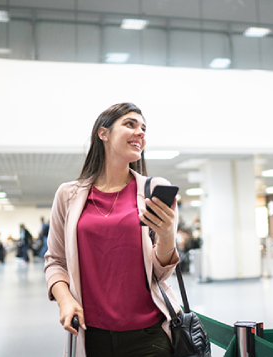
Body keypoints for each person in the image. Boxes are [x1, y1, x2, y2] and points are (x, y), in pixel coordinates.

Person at [44, 103, 181, 357]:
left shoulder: (153, 190)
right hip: (91, 334)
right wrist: (65, 300)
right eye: (130, 124)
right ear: (103, 133)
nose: (140, 132)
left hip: (149, 335)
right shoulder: (68, 195)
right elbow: (55, 261)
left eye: (144, 128)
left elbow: (161, 273)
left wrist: (166, 236)